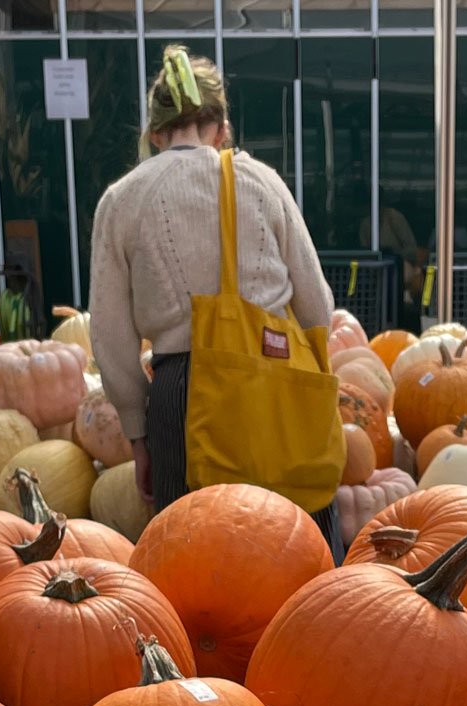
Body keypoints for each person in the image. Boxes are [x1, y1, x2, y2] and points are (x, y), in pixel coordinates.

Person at [90, 47, 341, 554]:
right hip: (273, 383)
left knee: (197, 566)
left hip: (180, 398)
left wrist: (139, 437)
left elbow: (112, 339)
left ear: (155, 134)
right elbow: (318, 308)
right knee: (300, 557)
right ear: (221, 128)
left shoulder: (122, 200)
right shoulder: (261, 182)